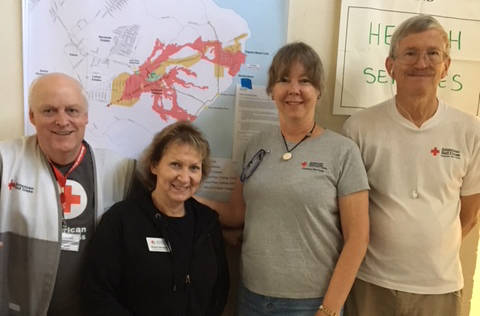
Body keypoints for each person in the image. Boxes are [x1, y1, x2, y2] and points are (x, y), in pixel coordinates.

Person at [196, 42, 369, 316]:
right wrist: (187, 200)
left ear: (319, 90)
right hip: (252, 297)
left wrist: (330, 308)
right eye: (284, 80)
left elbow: (358, 238)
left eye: (305, 81)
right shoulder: (255, 146)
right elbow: (236, 214)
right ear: (271, 90)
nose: (294, 89)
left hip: (312, 303)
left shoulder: (343, 151)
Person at [342, 15, 480, 316]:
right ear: (391, 66)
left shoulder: (470, 130)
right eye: (411, 53)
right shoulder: (359, 128)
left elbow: (469, 213)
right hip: (372, 283)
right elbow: (348, 213)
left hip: (439, 286)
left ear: (446, 66)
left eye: (433, 53)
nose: (422, 63)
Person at [0, 73, 136, 315]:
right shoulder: (6, 160)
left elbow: (170, 198)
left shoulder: (117, 169)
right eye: (49, 111)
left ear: (85, 117)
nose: (62, 121)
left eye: (72, 111)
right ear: (32, 116)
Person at [84, 121, 229, 316]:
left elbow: (219, 290)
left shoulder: (208, 223)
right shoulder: (121, 220)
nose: (185, 178)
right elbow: (97, 293)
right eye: (175, 165)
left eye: (194, 168)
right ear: (154, 165)